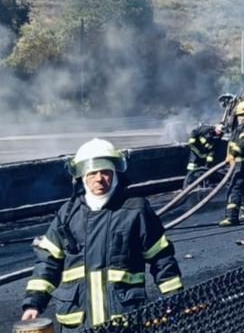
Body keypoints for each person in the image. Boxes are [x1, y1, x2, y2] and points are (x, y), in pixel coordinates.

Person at [21, 139, 182, 330]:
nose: (99, 178)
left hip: (123, 319)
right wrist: (33, 303)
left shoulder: (135, 210)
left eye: (105, 172)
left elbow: (161, 257)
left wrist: (175, 298)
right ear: (82, 177)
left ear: (115, 174)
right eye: (92, 173)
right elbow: (48, 262)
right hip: (78, 324)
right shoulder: (67, 214)